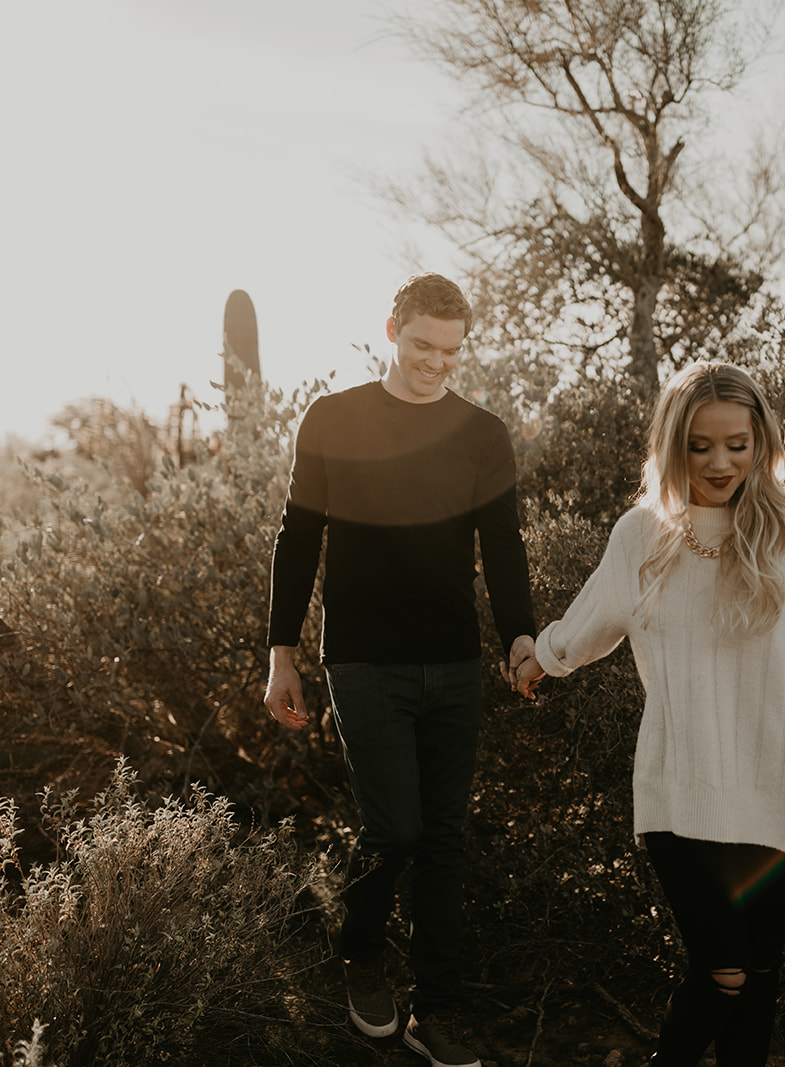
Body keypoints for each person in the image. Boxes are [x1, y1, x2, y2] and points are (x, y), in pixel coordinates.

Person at [512, 361, 785, 1066]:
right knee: (724, 970)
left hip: (782, 792)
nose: (719, 462)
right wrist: (543, 656)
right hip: (681, 792)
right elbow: (592, 619)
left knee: (760, 975)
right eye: (700, 445)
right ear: (673, 445)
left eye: (737, 444)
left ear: (761, 441)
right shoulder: (642, 534)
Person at [265, 273, 536, 1067]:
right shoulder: (334, 417)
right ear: (392, 330)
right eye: (422, 345)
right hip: (362, 659)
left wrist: (519, 637)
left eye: (450, 352)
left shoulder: (482, 433)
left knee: (445, 839)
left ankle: (436, 1010)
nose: (435, 363)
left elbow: (506, 545)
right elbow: (297, 533)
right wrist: (281, 649)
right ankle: (360, 955)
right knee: (395, 829)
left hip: (454, 661)